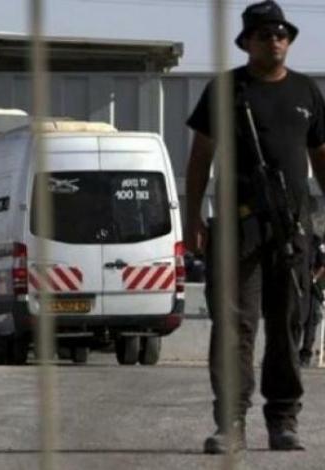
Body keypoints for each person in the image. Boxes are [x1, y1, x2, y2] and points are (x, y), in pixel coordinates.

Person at [185, 0, 325, 454]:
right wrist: (191, 217)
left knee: (287, 324)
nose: (275, 40)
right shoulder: (226, 90)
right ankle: (231, 423)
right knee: (234, 326)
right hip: (237, 226)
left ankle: (283, 421)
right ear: (247, 42)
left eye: (282, 33)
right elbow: (200, 157)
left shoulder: (306, 91)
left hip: (292, 227)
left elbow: (320, 157)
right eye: (265, 34)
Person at [300, 232, 325, 367]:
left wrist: (314, 278)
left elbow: (323, 265)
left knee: (311, 321)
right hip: (300, 285)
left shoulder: (317, 242)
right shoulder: (298, 238)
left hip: (313, 289)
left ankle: (305, 354)